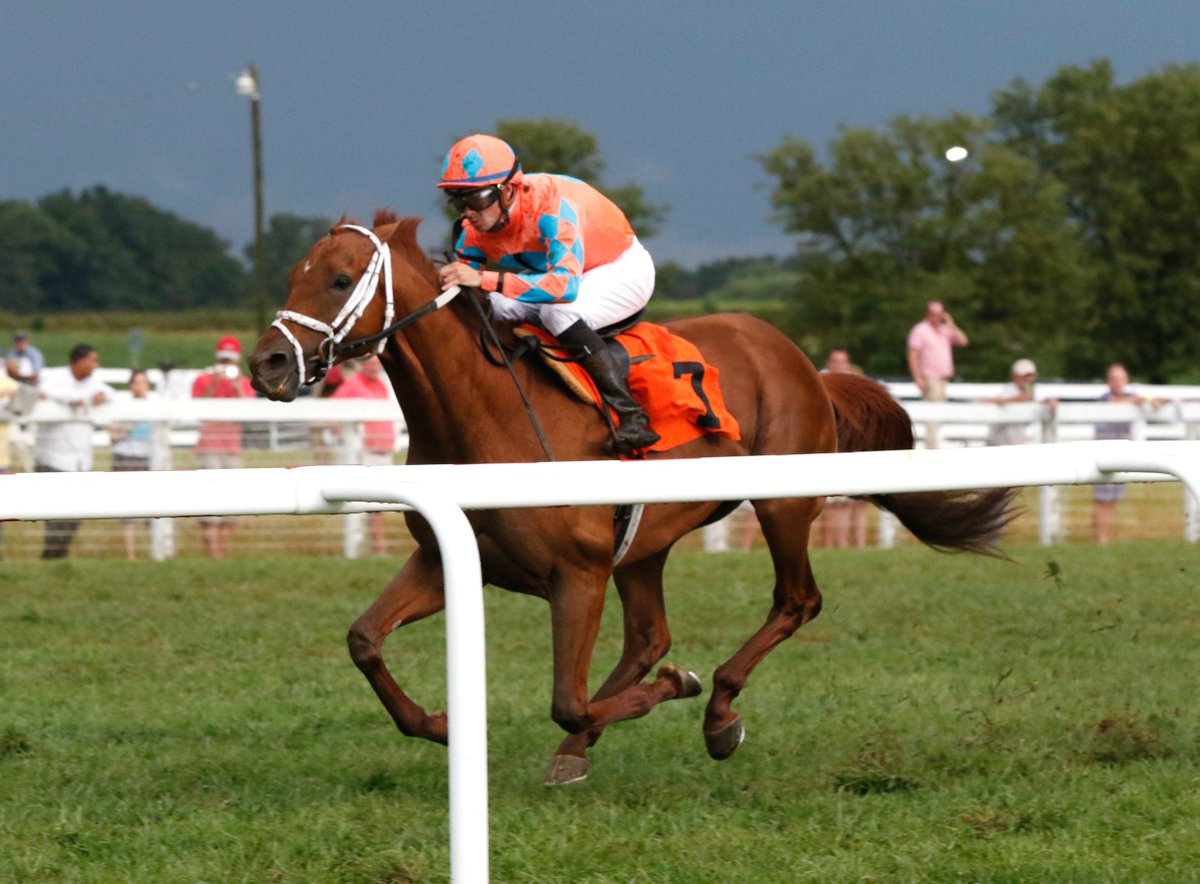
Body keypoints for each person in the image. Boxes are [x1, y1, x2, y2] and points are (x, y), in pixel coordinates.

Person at [435, 133, 660, 454]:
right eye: (459, 201)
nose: (468, 212)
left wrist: (483, 278)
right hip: (562, 275)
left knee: (558, 313)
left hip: (619, 267)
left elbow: (563, 288)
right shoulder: (471, 230)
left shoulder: (552, 208)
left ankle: (632, 414)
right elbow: (469, 292)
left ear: (507, 190)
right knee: (493, 307)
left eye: (476, 199)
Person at [33, 343, 115, 559]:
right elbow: (45, 392)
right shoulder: (55, 378)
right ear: (79, 361)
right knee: (55, 513)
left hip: (79, 460)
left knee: (75, 513)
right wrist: (81, 398)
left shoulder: (92, 382)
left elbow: (109, 392)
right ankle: (52, 557)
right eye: (92, 360)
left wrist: (97, 396)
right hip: (52, 457)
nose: (95, 365)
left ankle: (55, 556)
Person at [191, 336, 255, 558]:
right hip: (208, 446)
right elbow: (196, 408)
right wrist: (214, 384)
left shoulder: (244, 382)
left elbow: (250, 411)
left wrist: (237, 387)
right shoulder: (202, 379)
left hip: (232, 448)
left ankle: (223, 553)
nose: (226, 363)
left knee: (232, 504)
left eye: (230, 359)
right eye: (223, 359)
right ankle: (212, 554)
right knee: (209, 504)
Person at [1091, 363, 1165, 545]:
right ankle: (1101, 538)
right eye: (1114, 379)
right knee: (1103, 499)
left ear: (1126, 380)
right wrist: (1141, 400)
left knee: (1112, 499)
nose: (1118, 383)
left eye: (1121, 379)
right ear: (1109, 382)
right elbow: (1116, 402)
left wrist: (1153, 401)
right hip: (1104, 454)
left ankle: (1104, 537)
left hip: (1121, 455)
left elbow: (1149, 400)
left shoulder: (1131, 397)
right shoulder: (1106, 399)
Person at [331, 356, 396, 555]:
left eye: (377, 363)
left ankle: (375, 547)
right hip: (363, 453)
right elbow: (332, 412)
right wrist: (346, 439)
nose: (374, 367)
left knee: (379, 503)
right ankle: (370, 548)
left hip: (383, 451)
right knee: (370, 503)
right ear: (363, 364)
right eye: (371, 363)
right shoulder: (353, 384)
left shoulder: (382, 385)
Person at [816, 347, 869, 548]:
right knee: (834, 504)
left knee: (857, 504)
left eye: (842, 362)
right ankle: (833, 547)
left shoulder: (855, 384)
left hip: (852, 448)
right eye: (835, 361)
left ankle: (858, 547)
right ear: (829, 363)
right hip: (831, 449)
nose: (839, 365)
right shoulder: (819, 383)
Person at [906, 300, 968, 448]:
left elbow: (963, 341)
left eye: (940, 314)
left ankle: (934, 445)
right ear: (928, 314)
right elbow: (913, 354)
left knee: (939, 413)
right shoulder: (920, 330)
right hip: (930, 378)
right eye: (935, 314)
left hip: (944, 379)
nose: (938, 317)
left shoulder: (945, 330)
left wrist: (951, 324)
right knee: (933, 413)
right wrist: (917, 377)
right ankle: (932, 447)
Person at [109, 369, 154, 559]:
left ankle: (154, 553)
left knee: (152, 509)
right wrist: (129, 423)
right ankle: (131, 555)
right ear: (130, 386)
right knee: (127, 511)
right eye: (136, 382)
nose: (139, 386)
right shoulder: (123, 408)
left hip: (147, 459)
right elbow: (113, 436)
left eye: (142, 382)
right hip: (125, 457)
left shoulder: (154, 408)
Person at [984, 357, 1046, 447]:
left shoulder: (1033, 392)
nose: (1027, 379)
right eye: (1024, 376)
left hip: (1018, 443)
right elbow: (987, 401)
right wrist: (1015, 399)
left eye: (1030, 375)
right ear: (1015, 376)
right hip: (1000, 443)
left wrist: (1046, 402)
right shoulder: (1009, 390)